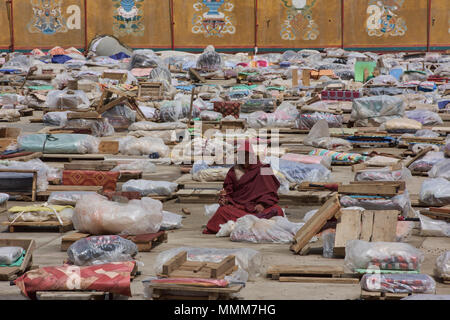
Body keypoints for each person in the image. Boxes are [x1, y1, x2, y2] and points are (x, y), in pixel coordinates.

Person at [203, 140, 284, 234]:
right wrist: (225, 198)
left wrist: (262, 204)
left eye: (246, 155)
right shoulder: (234, 171)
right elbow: (228, 190)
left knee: (277, 210)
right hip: (240, 207)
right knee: (223, 211)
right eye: (241, 155)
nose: (244, 158)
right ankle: (253, 225)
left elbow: (272, 190)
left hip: (259, 208)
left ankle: (248, 224)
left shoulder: (264, 168)